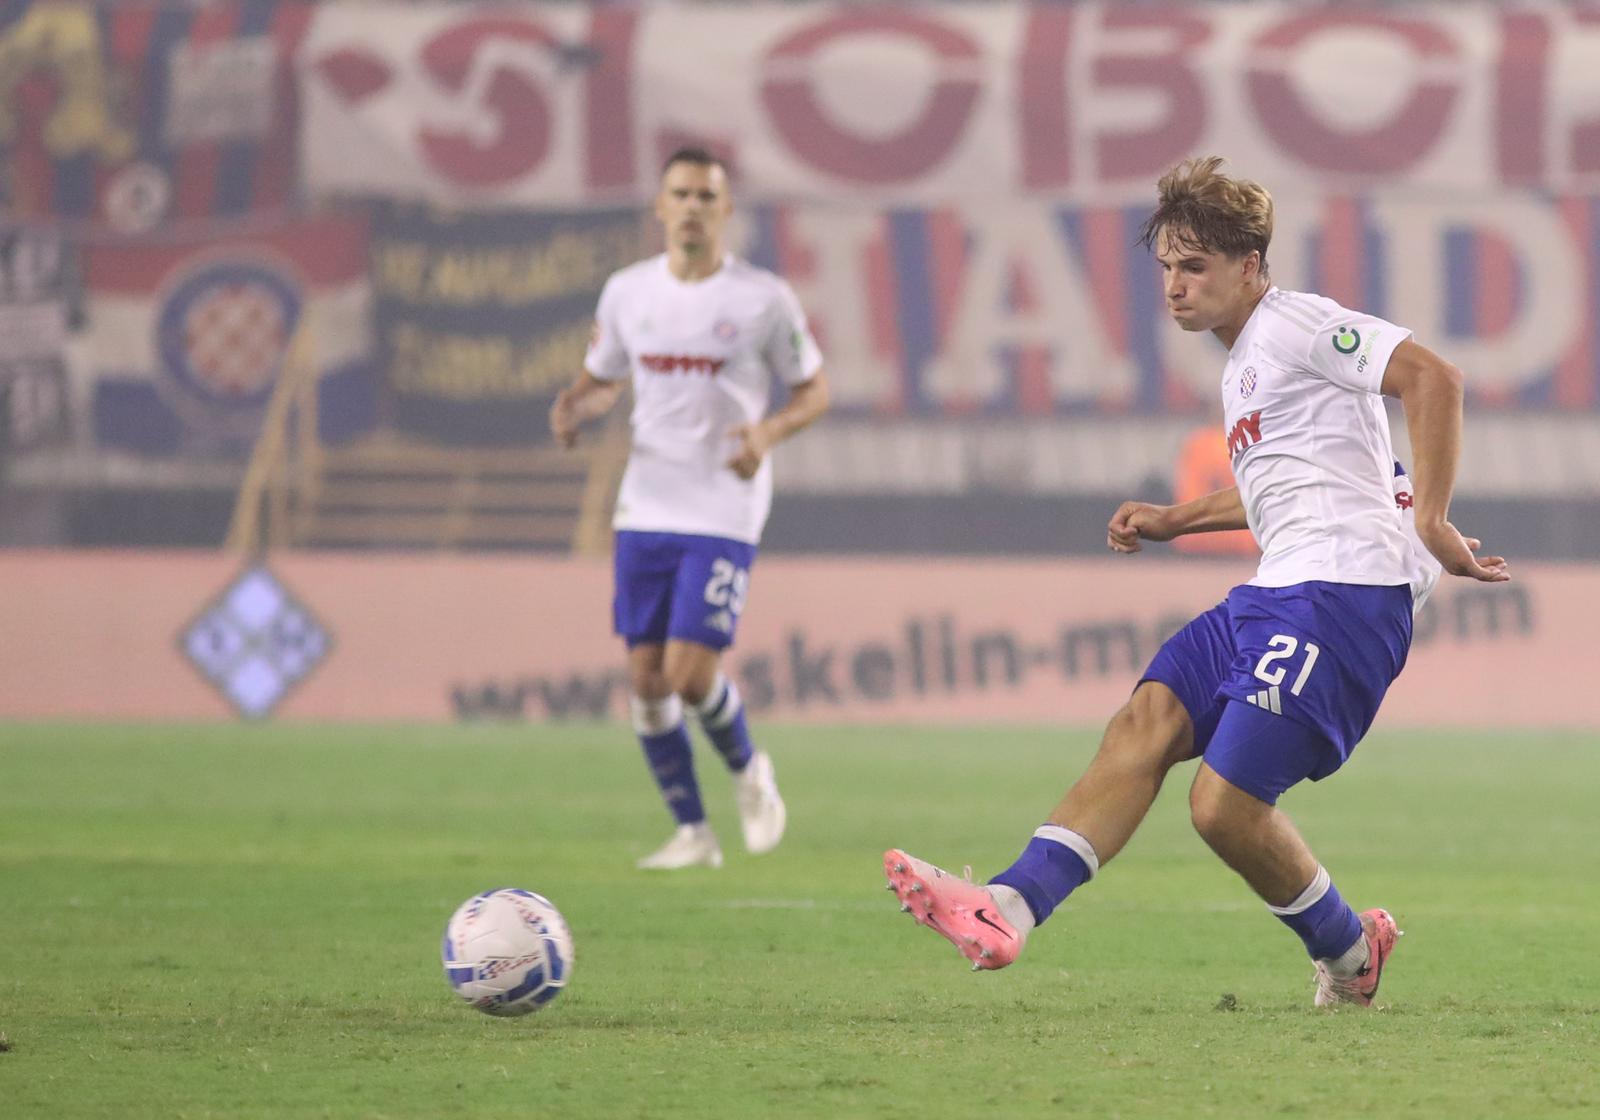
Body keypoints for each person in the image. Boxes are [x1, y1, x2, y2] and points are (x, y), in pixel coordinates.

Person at [883, 156, 1508, 1006]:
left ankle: (1353, 957)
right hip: (1278, 589)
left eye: (1196, 267)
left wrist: (1431, 521)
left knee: (1222, 808)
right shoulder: (1245, 361)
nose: (1175, 287)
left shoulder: (1295, 325)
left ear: (1250, 267)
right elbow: (1288, 485)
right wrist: (1176, 518)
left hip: (1342, 601)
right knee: (1144, 721)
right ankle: (1006, 907)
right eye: (1168, 268)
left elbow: (1434, 378)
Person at [550, 147, 830, 870]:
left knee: (687, 674)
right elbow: (604, 377)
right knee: (644, 682)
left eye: (708, 195)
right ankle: (693, 834)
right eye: (682, 193)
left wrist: (766, 433)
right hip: (646, 501)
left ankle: (748, 771)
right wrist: (579, 404)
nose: (694, 206)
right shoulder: (627, 293)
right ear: (661, 207)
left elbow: (814, 390)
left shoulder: (763, 299)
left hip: (723, 504)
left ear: (725, 209)